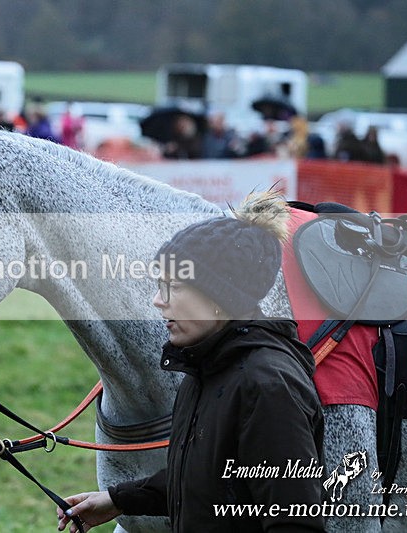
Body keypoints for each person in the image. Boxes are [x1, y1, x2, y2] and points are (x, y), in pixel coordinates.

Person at [57, 191, 325, 533]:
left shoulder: (268, 387)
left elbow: (295, 523)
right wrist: (118, 499)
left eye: (174, 287)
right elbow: (207, 481)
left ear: (220, 297)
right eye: (159, 286)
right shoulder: (204, 371)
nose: (157, 301)